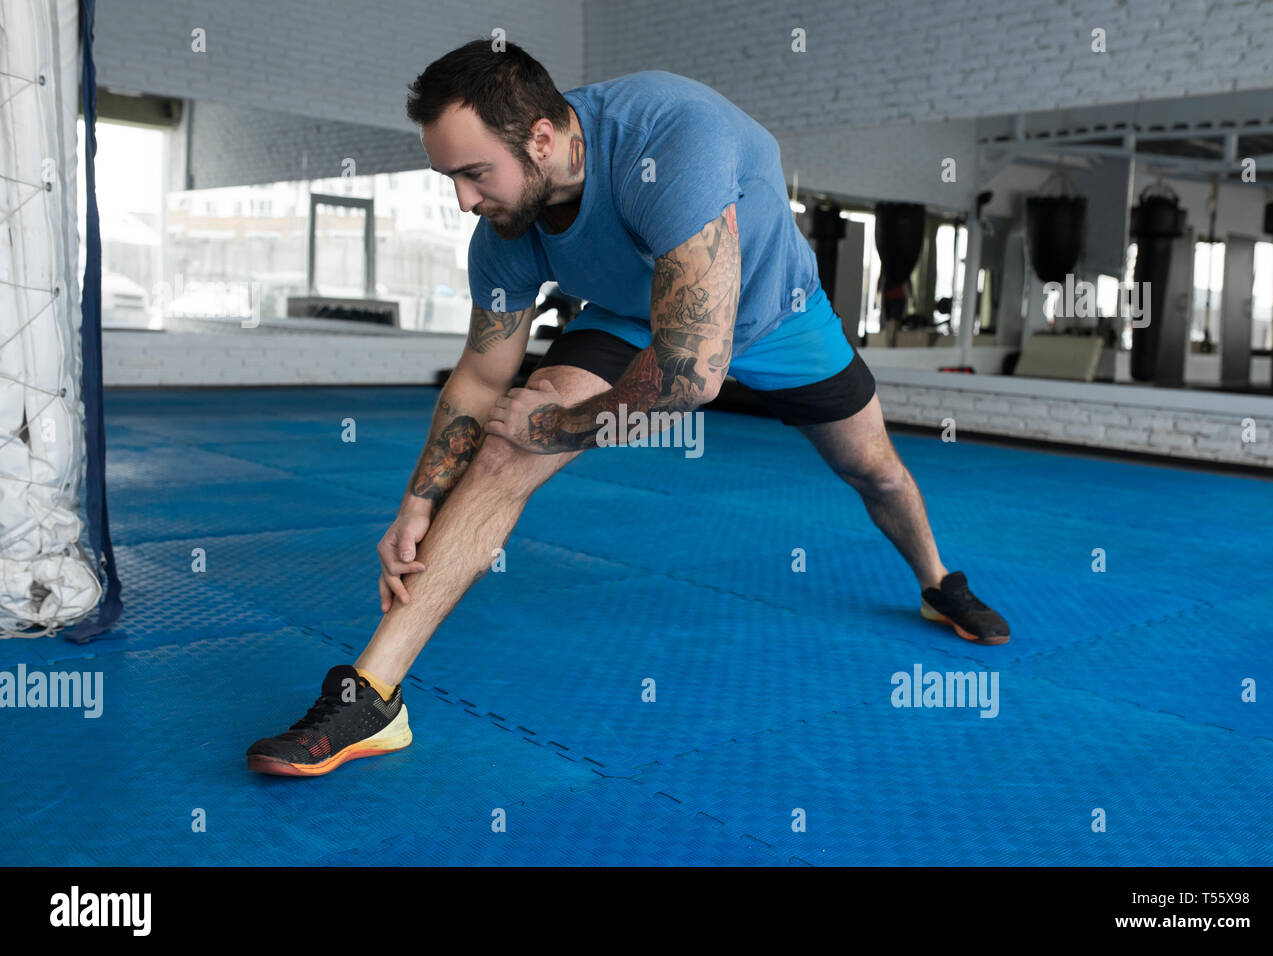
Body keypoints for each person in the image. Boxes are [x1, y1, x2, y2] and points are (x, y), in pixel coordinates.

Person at [246, 39, 1010, 777]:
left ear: (542, 138)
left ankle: (939, 580)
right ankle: (373, 697)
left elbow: (691, 375)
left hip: (775, 319)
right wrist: (418, 501)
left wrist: (560, 427)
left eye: (476, 174)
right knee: (510, 442)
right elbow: (481, 380)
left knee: (874, 471)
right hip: (632, 315)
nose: (464, 202)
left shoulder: (672, 138)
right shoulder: (506, 230)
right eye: (450, 178)